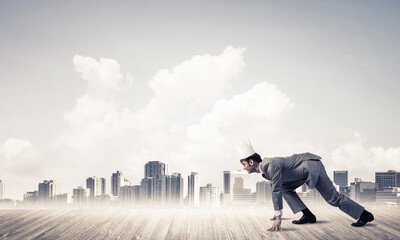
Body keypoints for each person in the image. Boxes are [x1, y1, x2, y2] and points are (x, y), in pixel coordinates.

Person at [237, 140, 374, 231]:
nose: (243, 168)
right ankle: (308, 215)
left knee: (333, 198)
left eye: (243, 164)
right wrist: (277, 211)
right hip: (300, 173)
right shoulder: (266, 168)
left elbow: (276, 189)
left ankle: (364, 215)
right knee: (285, 188)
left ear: (250, 162)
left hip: (311, 166)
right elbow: (278, 187)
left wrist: (279, 216)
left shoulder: (269, 165)